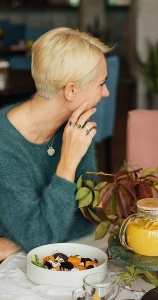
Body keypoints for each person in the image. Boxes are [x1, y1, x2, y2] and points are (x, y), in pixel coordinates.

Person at [0, 27, 111, 261]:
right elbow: (42, 237)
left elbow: (88, 216)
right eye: (101, 84)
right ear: (71, 90)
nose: (107, 93)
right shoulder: (4, 146)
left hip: (45, 254)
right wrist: (68, 162)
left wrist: (20, 240)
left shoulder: (73, 128)